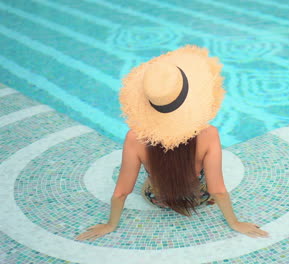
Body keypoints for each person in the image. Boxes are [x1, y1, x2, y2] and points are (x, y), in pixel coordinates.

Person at [76, 45, 269, 241]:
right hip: (198, 199)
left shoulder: (135, 138)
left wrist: (110, 224)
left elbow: (121, 192)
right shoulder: (209, 134)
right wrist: (235, 223)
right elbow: (217, 189)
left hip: (158, 199)